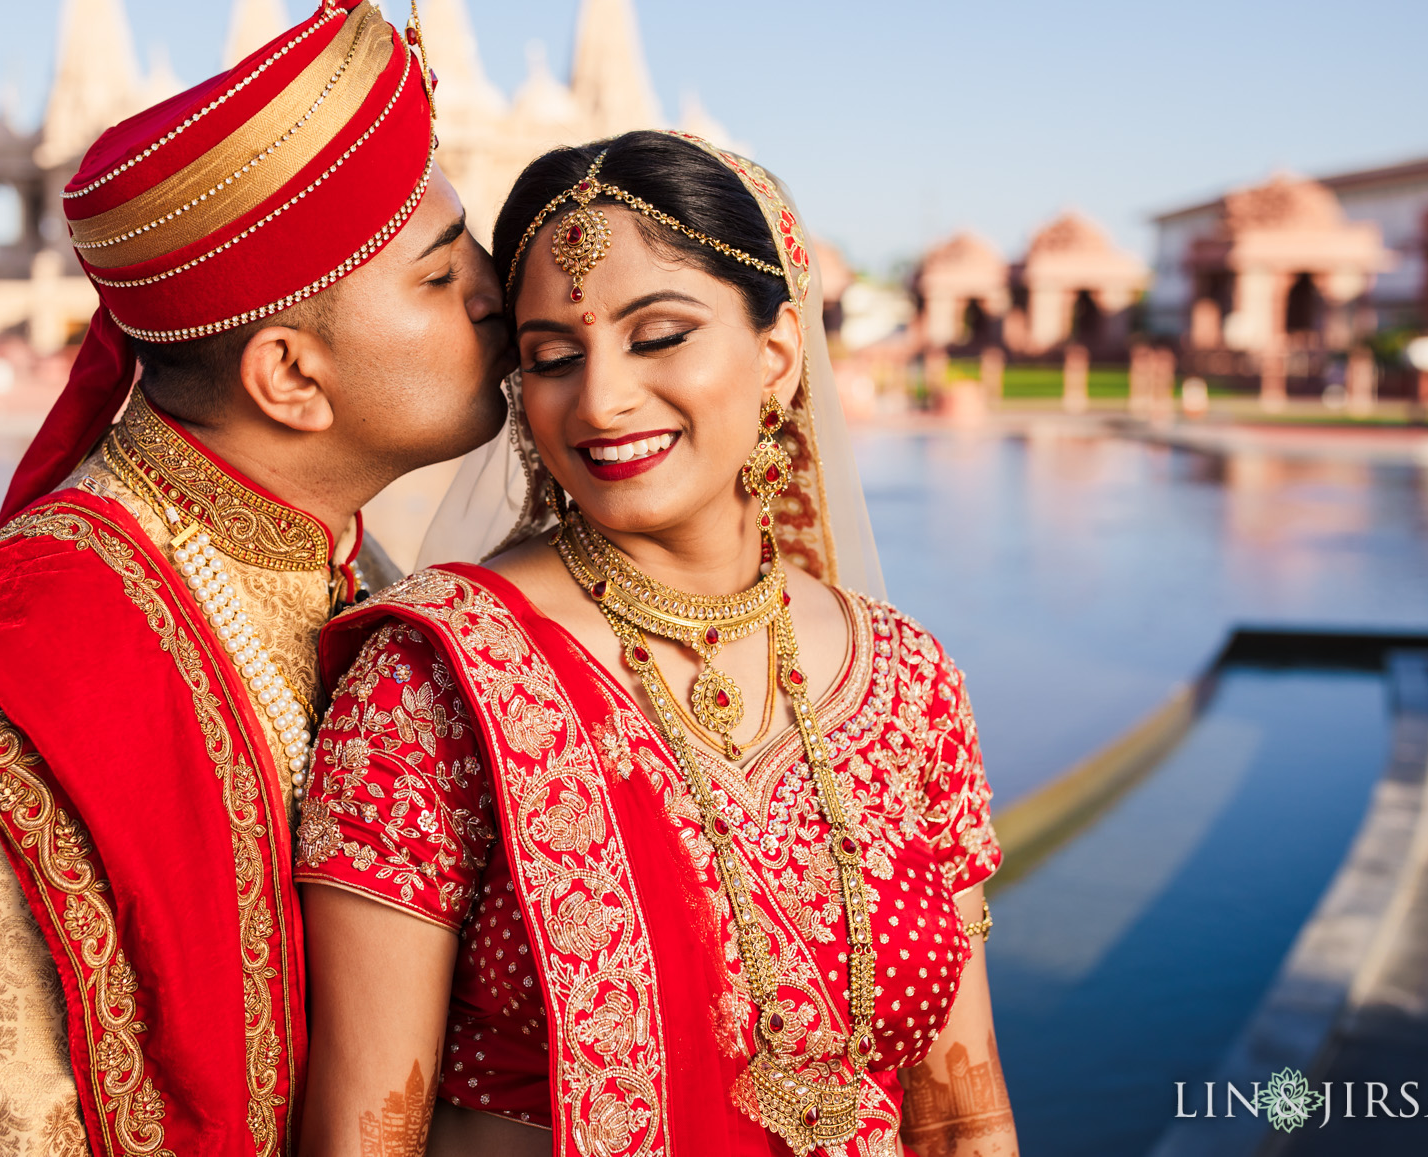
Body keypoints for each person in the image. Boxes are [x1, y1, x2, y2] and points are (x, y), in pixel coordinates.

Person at [0, 0, 512, 1157]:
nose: (493, 295)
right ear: (291, 380)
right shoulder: (3, 685)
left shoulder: (360, 571)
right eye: (439, 272)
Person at [295, 130, 1016, 1157]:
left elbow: (961, 1111)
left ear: (774, 356)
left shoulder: (906, 683)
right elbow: (366, 1136)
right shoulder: (436, 677)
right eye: (551, 357)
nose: (599, 400)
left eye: (659, 335)